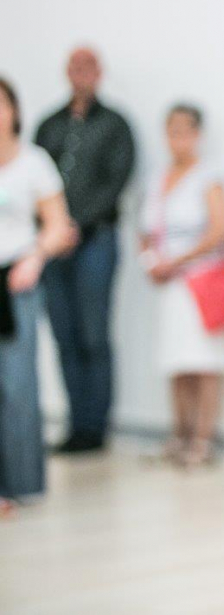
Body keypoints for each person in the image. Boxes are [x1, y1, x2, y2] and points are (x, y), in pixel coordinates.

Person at [34, 48, 136, 454]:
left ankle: (96, 427)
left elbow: (116, 181)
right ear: (67, 72)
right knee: (65, 334)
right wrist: (53, 229)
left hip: (96, 241)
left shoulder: (115, 125)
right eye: (75, 68)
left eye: (88, 68)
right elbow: (36, 178)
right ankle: (76, 424)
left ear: (99, 73)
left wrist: (75, 224)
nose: (82, 75)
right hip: (52, 246)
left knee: (94, 334)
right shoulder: (50, 125)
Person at [139, 104, 224, 468]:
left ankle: (203, 439)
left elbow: (218, 230)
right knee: (176, 361)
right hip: (170, 285)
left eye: (184, 130)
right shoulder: (157, 179)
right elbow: (146, 230)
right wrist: (150, 261)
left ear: (197, 134)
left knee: (204, 361)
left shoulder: (208, 176)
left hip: (200, 280)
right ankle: (179, 433)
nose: (177, 138)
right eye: (171, 130)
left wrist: (177, 261)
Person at [0, 78, 75, 514]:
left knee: (18, 385)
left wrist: (35, 257)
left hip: (17, 280)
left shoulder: (34, 163)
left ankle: (22, 482)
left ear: (14, 110)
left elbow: (57, 224)